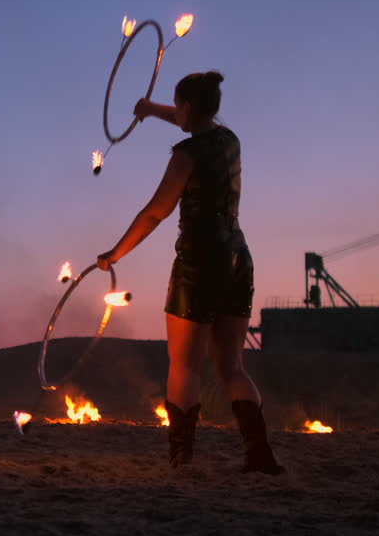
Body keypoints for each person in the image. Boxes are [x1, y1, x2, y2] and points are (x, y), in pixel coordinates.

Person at [95, 72, 284, 474]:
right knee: (232, 366)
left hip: (198, 264)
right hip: (237, 259)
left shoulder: (185, 155)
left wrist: (115, 253)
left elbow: (154, 212)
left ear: (187, 106)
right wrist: (149, 110)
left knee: (184, 364)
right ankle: (259, 453)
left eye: (175, 104)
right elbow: (192, 121)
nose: (174, 111)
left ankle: (182, 458)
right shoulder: (230, 141)